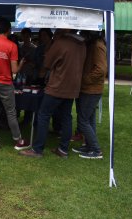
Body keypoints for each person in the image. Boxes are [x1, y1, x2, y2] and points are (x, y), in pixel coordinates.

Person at [20, 29, 86, 158]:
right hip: (72, 87)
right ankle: (63, 149)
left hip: (57, 86)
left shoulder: (61, 43)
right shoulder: (81, 44)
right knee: (66, 117)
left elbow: (47, 63)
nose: (55, 32)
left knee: (43, 115)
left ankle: (37, 150)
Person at [0, 17, 29, 152]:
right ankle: (18, 140)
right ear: (8, 30)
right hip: (5, 83)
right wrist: (21, 64)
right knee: (11, 112)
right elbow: (14, 70)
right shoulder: (12, 46)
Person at [72, 31, 107, 159]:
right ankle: (89, 145)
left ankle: (96, 150)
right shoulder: (93, 44)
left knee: (83, 121)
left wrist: (85, 79)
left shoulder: (97, 45)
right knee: (89, 120)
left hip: (91, 89)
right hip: (89, 88)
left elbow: (101, 69)